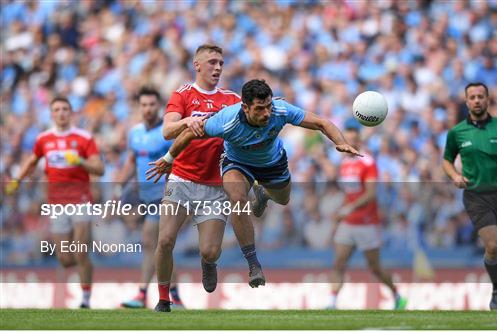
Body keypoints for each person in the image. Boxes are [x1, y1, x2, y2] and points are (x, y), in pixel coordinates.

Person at [146, 79, 361, 288]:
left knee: (283, 199)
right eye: (259, 109)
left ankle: (264, 193)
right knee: (237, 199)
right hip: (237, 163)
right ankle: (253, 265)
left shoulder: (280, 110)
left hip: (272, 163)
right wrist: (168, 159)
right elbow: (188, 134)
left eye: (268, 106)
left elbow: (322, 123)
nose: (266, 113)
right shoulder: (226, 120)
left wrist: (341, 143)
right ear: (245, 107)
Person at [152, 44, 260, 313]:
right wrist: (187, 122)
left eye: (221, 63)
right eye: (212, 62)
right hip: (181, 178)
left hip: (214, 187)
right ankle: (164, 298)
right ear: (197, 65)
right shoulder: (183, 94)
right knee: (165, 240)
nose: (218, 67)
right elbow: (167, 130)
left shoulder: (233, 100)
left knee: (210, 251)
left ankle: (208, 263)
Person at [5, 97, 104, 308]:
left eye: (65, 109)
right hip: (57, 203)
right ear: (51, 114)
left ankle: (85, 299)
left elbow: (100, 168)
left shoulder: (84, 138)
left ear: (71, 112)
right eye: (57, 109)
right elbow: (32, 161)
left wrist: (80, 161)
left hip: (81, 200)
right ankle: (85, 266)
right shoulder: (44, 139)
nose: (61, 113)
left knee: (80, 250)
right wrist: (17, 180)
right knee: (65, 258)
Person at [442, 82, 497, 310]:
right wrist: (454, 175)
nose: (477, 100)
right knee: (493, 246)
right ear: (467, 101)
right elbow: (447, 160)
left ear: (487, 99)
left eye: (481, 96)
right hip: (476, 196)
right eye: (472, 97)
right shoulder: (457, 132)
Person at [116, 87, 184, 309]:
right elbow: (131, 161)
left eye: (152, 105)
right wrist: (119, 187)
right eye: (144, 105)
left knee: (150, 242)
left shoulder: (167, 133)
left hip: (166, 196)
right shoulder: (135, 132)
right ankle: (173, 295)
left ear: (160, 107)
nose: (147, 109)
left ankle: (143, 293)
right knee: (160, 246)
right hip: (145, 197)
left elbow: (180, 161)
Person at [327, 118, 406, 310]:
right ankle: (332, 302)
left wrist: (348, 209)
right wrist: (342, 212)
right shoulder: (344, 164)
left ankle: (396, 295)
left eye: (353, 139)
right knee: (338, 262)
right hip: (349, 222)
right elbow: (349, 194)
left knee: (374, 267)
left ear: (359, 140)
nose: (350, 143)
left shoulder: (368, 162)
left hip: (367, 222)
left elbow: (370, 194)